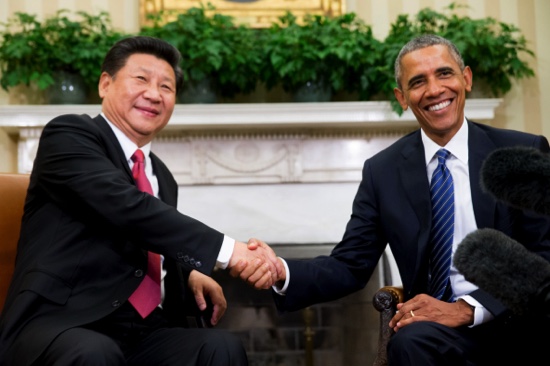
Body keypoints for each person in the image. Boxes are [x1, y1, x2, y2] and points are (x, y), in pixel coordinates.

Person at [241, 34, 550, 365]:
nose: (434, 90)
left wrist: (466, 309)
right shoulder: (383, 172)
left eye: (444, 73)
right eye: (418, 82)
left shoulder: (522, 152)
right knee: (407, 343)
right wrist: (281, 272)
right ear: (402, 98)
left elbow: (544, 255)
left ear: (466, 79)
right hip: (435, 333)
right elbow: (350, 265)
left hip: (519, 321)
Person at [0, 36, 281, 366]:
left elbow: (147, 238)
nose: (154, 94)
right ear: (106, 84)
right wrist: (228, 253)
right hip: (62, 323)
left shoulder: (161, 175)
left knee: (220, 348)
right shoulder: (68, 135)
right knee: (94, 352)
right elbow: (127, 209)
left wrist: (188, 272)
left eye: (166, 86)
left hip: (142, 332)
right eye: (141, 79)